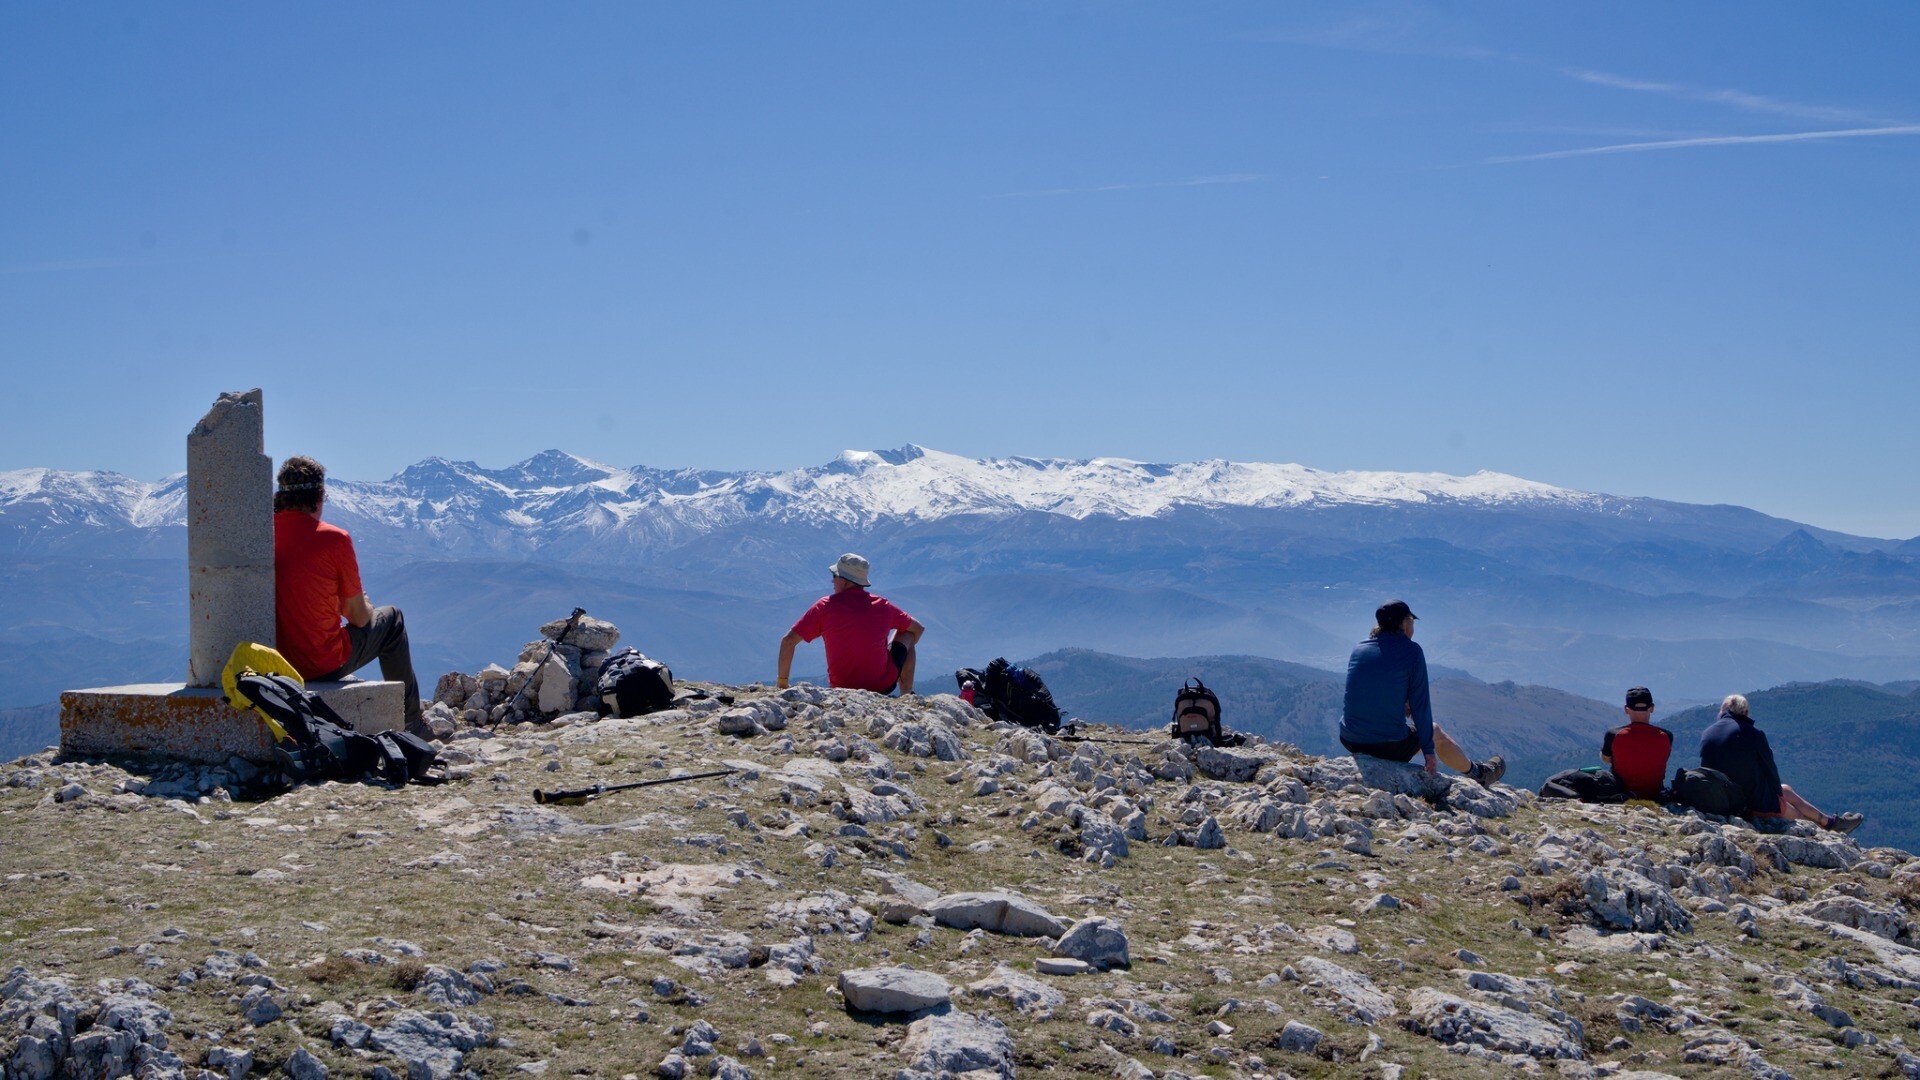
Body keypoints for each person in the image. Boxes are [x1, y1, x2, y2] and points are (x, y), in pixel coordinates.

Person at [272, 456, 429, 739]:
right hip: (323, 662)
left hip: (277, 663)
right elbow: (358, 617)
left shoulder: (261, 535)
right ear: (319, 497)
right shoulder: (334, 538)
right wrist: (364, 601)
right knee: (392, 618)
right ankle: (412, 725)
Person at [1340, 600, 1504, 786]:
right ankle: (1479, 773)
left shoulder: (1359, 648)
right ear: (1404, 624)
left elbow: (1369, 691)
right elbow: (1421, 706)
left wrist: (1402, 700)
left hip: (1350, 738)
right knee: (1435, 732)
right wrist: (1428, 752)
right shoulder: (1412, 652)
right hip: (1385, 746)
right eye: (1411, 621)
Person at [1699, 694, 1862, 832]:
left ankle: (1831, 821)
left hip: (1720, 797)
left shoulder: (1707, 733)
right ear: (1746, 712)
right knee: (1797, 814)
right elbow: (1770, 769)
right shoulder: (1754, 734)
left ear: (1723, 711)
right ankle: (1830, 827)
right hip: (1748, 803)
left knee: (1786, 790)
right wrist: (1776, 793)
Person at [777, 553, 923, 696]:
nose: (832, 581)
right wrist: (890, 652)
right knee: (907, 632)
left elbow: (788, 641)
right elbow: (918, 628)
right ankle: (906, 693)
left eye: (835, 576)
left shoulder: (825, 606)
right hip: (882, 686)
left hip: (841, 687)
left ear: (846, 581)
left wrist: (783, 683)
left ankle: (905, 692)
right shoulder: (883, 606)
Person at [1601, 686, 1673, 800]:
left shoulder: (1613, 734)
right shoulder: (1667, 736)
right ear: (1652, 708)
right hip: (1655, 796)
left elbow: (1606, 759)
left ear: (1626, 709)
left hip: (1622, 794)